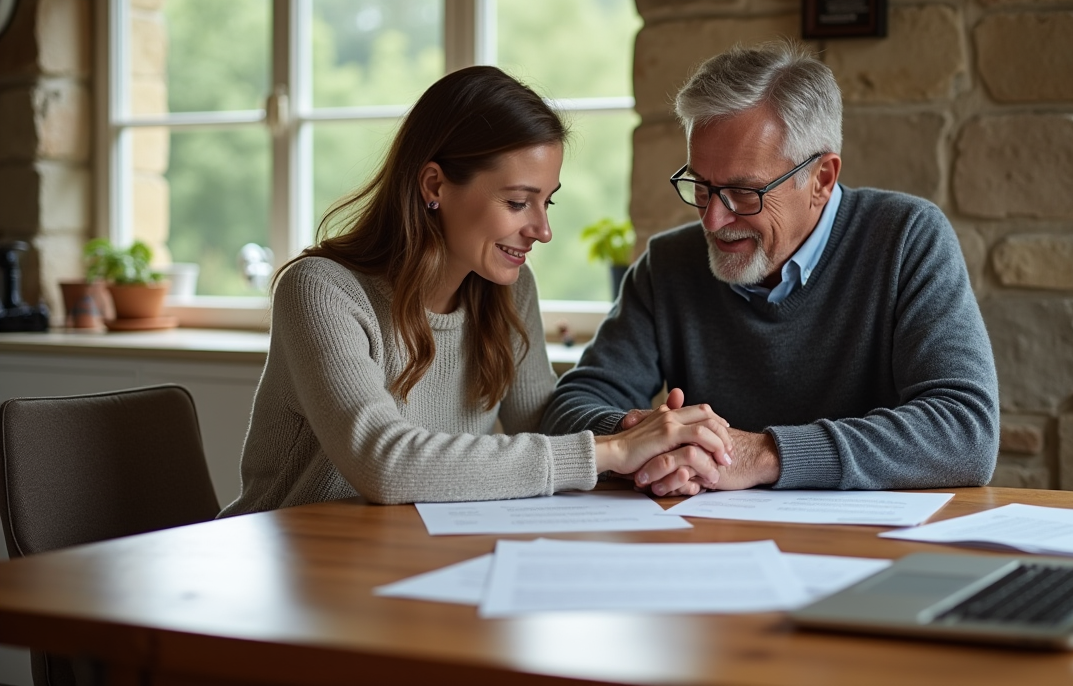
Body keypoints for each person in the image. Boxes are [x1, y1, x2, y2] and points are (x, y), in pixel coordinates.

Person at [220, 66, 732, 517]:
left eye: (546, 203)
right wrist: (613, 452)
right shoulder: (320, 291)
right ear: (434, 187)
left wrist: (645, 448)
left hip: (407, 556)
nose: (541, 230)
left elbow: (545, 425)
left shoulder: (508, 290)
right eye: (516, 202)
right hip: (285, 564)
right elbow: (385, 463)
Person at [541, 42, 999, 497]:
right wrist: (641, 437)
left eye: (744, 193)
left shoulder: (906, 240)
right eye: (701, 187)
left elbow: (966, 431)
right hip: (716, 547)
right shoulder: (668, 266)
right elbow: (569, 407)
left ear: (821, 179)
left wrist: (763, 455)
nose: (713, 220)